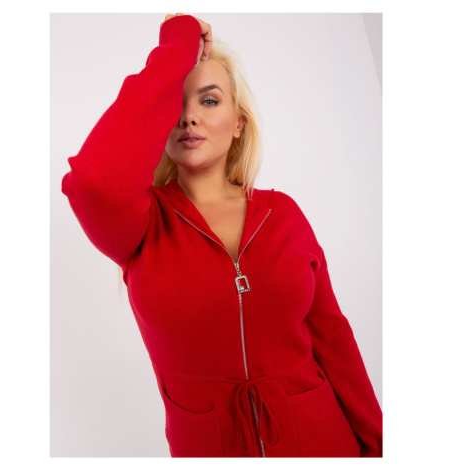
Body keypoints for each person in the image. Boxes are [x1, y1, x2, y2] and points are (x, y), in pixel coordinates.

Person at [61, 13, 383, 458]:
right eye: (175, 102)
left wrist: (380, 449)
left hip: (324, 444)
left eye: (209, 101)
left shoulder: (283, 214)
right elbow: (94, 182)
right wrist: (178, 44)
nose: (189, 117)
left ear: (238, 123)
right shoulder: (141, 227)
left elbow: (333, 338)